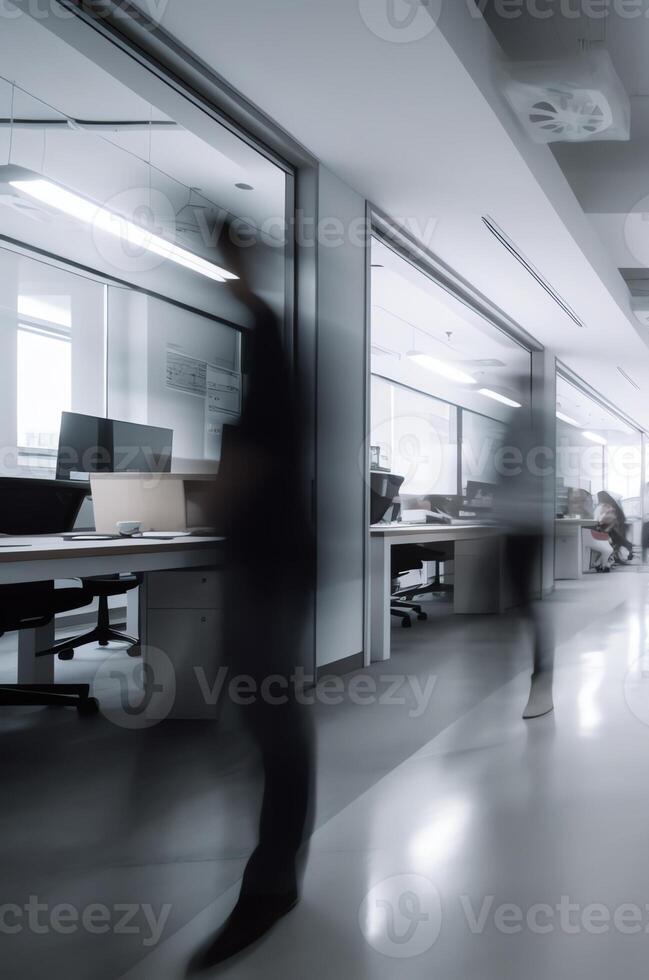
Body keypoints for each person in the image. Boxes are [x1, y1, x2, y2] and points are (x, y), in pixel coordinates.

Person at [191, 244, 315, 970]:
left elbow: (258, 451)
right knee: (266, 712)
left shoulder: (262, 331)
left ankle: (271, 884)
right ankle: (275, 867)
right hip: (265, 555)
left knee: (274, 718)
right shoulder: (259, 333)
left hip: (268, 558)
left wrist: (216, 506)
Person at [495, 401, 557, 719]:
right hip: (513, 522)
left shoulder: (532, 421)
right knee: (516, 604)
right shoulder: (521, 419)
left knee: (524, 604)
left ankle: (541, 676)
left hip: (526, 523)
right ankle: (528, 675)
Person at [595, 490, 634, 564]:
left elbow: (607, 518)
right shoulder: (610, 503)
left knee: (617, 539)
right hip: (617, 523)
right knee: (617, 540)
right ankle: (626, 550)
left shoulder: (606, 505)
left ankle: (625, 551)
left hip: (617, 523)